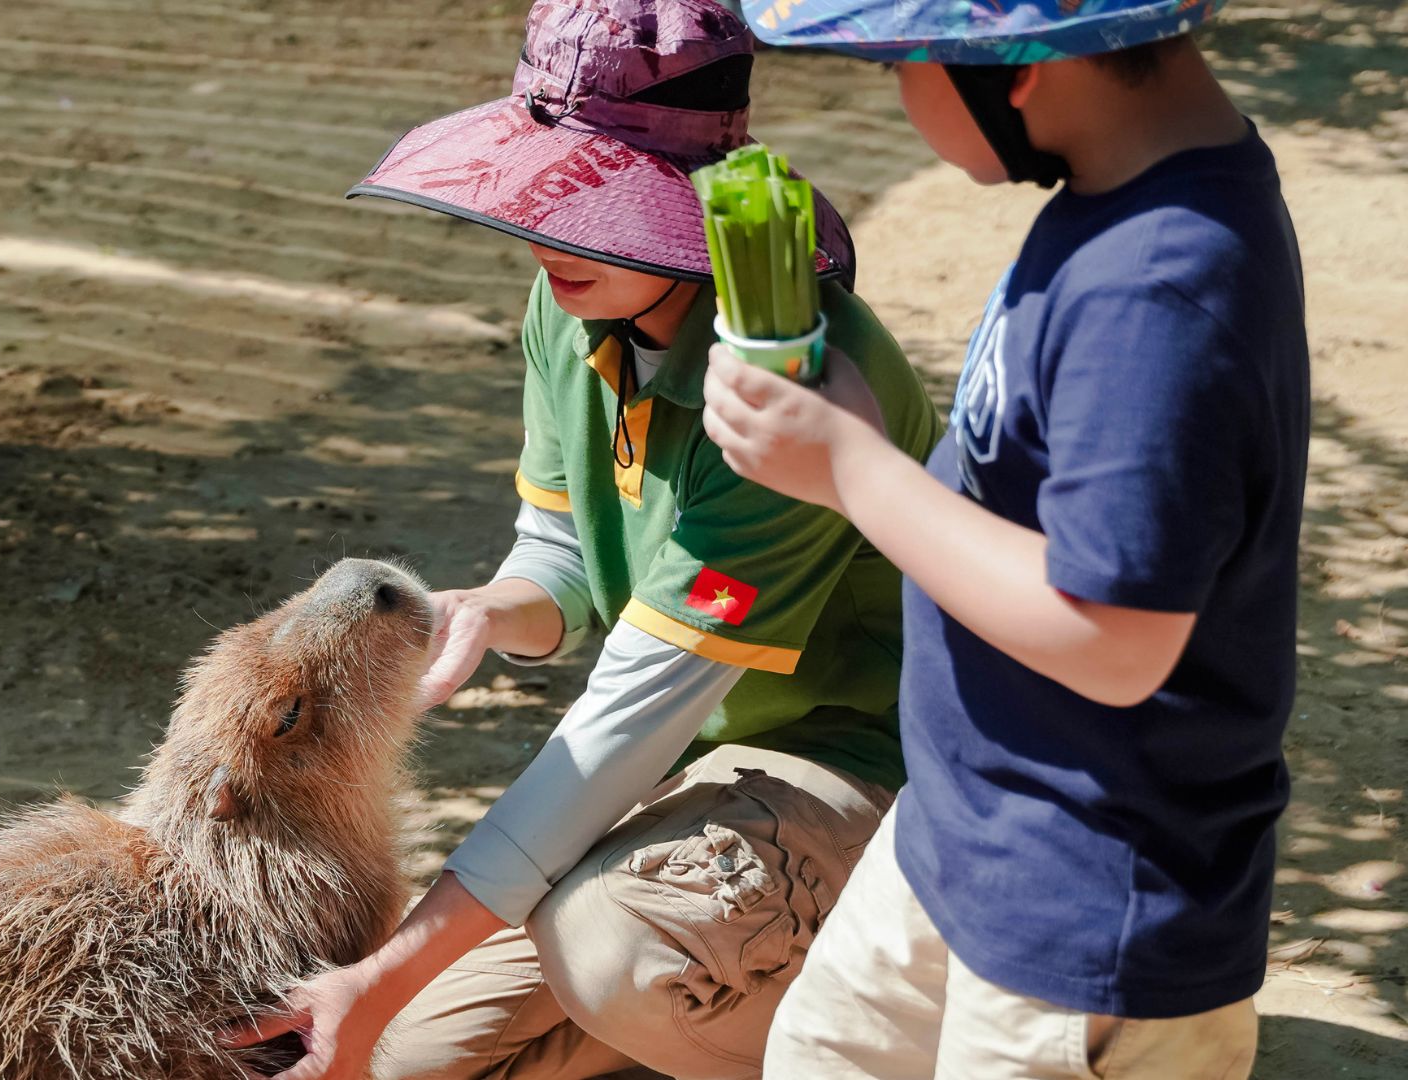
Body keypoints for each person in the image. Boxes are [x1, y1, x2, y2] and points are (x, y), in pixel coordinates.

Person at [226, 2, 939, 1077]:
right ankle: (733, 989)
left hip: (862, 764)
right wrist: (488, 609)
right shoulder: (570, 303)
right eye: (550, 193)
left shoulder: (789, 377)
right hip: (698, 765)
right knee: (406, 1057)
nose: (548, 236)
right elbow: (559, 548)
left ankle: (900, 1033)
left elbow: (623, 724)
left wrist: (379, 975)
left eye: (599, 203)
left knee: (608, 956)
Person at [700, 2, 1306, 1076]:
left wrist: (851, 469)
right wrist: (865, 444)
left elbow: (1112, 637)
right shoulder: (1112, 198)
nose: (898, 95)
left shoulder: (1158, 284)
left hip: (1080, 906)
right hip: (961, 833)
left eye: (902, 64)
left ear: (1011, 69)